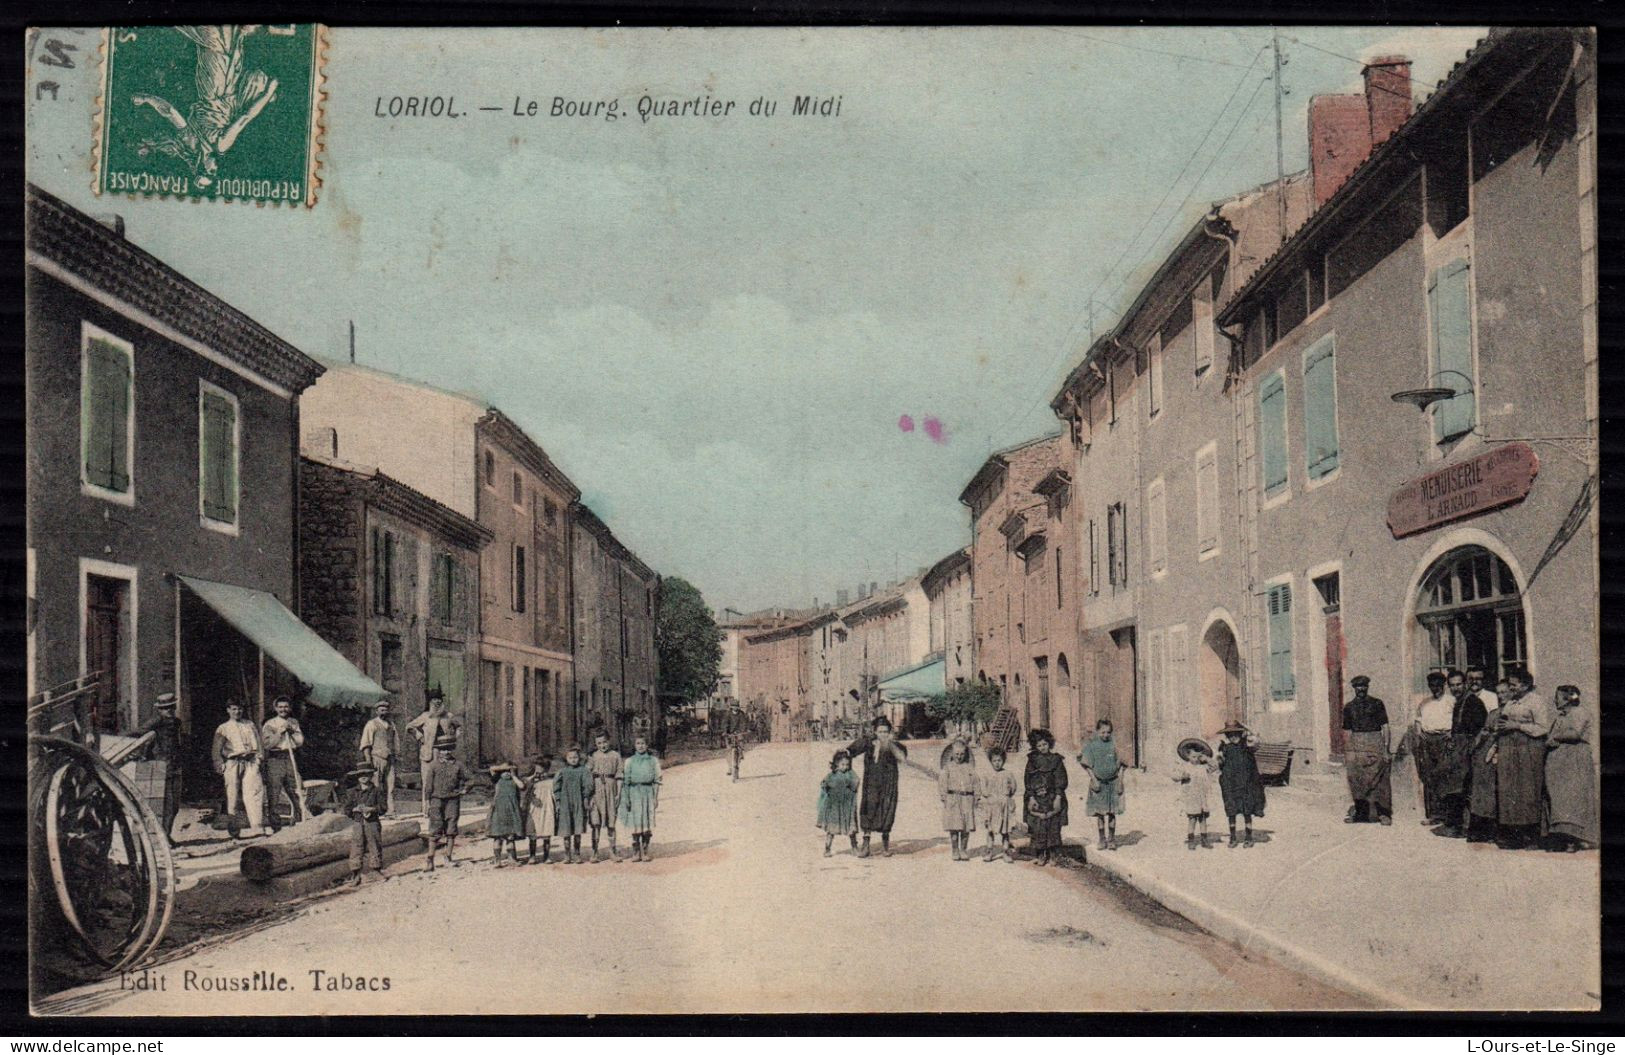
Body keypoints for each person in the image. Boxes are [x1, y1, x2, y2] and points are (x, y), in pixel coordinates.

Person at [1495, 667, 1551, 850]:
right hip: (1510, 749)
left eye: (1514, 685)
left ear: (1525, 685)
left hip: (1529, 748)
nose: (1510, 688)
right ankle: (1515, 835)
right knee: (1511, 791)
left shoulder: (1536, 701)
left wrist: (1517, 725)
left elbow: (1543, 727)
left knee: (1529, 790)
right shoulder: (1512, 701)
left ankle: (1533, 836)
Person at [847, 716, 909, 857]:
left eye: (886, 732)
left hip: (889, 785)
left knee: (887, 812)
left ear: (889, 732)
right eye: (880, 731)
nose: (883, 734)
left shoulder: (894, 746)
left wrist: (889, 744)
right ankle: (866, 846)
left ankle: (885, 847)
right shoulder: (868, 744)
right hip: (871, 785)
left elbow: (903, 758)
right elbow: (852, 750)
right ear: (875, 732)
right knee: (869, 811)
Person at [1544, 685, 1595, 852]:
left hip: (1575, 760)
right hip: (1561, 763)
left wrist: (1556, 737)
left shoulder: (1580, 713)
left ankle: (1575, 839)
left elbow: (1575, 734)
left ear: (1568, 698)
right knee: (1560, 800)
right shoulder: (1560, 717)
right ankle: (1563, 838)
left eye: (1557, 697)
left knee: (1573, 800)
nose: (1554, 700)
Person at [211, 699, 268, 839]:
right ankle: (234, 829)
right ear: (228, 710)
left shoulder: (250, 724)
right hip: (233, 762)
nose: (237, 712)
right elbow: (216, 749)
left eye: (240, 709)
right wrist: (219, 763)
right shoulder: (223, 728)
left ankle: (257, 827)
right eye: (234, 709)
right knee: (232, 796)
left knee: (254, 793)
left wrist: (259, 758)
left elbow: (259, 742)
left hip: (251, 761)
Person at [1341, 675, 1392, 825]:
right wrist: (1349, 752)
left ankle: (1384, 814)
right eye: (1358, 686)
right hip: (1356, 744)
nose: (1361, 689)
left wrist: (1386, 749)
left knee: (1380, 780)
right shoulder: (1349, 707)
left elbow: (1385, 727)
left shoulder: (1377, 703)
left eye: (1364, 686)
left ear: (1367, 687)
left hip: (1375, 742)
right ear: (1354, 688)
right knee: (1356, 778)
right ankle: (1360, 813)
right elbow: (1347, 731)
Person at [135, 693, 184, 842]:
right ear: (159, 710)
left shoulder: (177, 722)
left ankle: (167, 835)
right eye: (164, 708)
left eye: (170, 707)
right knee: (166, 806)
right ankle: (163, 838)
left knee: (175, 806)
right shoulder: (156, 722)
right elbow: (139, 732)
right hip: (161, 767)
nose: (168, 710)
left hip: (176, 766)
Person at [1411, 671, 1455, 826]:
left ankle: (1449, 816)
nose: (1434, 688)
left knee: (1446, 777)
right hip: (1428, 741)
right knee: (1430, 777)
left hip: (1445, 740)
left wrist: (1451, 734)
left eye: (1437, 685)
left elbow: (1457, 721)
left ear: (1443, 685)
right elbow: (1418, 721)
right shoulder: (1424, 703)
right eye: (1432, 685)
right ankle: (1435, 815)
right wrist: (1419, 734)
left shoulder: (1452, 701)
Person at [1078, 718, 1126, 851]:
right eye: (1103, 732)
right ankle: (1101, 839)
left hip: (1113, 783)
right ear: (1097, 731)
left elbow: (1122, 765)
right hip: (1098, 783)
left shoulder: (1114, 745)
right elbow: (1087, 766)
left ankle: (1111, 839)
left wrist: (1120, 781)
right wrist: (1094, 780)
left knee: (1112, 812)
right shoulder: (1091, 746)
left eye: (1108, 732)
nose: (1106, 735)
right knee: (1100, 813)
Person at [1216, 722, 1265, 848]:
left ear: (1240, 734)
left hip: (1246, 783)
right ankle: (1233, 838)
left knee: (1246, 809)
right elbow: (1220, 764)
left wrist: (1249, 730)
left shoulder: (1247, 745)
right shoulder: (1225, 748)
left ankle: (1249, 837)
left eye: (1236, 734)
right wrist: (1219, 760)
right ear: (1227, 736)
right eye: (1230, 735)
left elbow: (1257, 742)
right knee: (1231, 810)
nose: (1233, 737)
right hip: (1231, 783)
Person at [422, 736, 469, 870]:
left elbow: (470, 779)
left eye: (448, 749)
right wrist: (427, 803)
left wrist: (465, 789)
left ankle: (448, 857)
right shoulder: (433, 766)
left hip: (452, 801)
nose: (446, 752)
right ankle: (430, 859)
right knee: (435, 829)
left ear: (452, 749)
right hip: (436, 801)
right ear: (439, 750)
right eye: (443, 749)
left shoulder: (458, 765)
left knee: (451, 829)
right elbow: (428, 786)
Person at [260, 696, 306, 831]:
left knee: (295, 789)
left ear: (289, 708)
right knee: (274, 793)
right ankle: (276, 825)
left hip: (290, 757)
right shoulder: (270, 724)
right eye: (280, 707)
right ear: (276, 708)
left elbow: (299, 741)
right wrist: (280, 732)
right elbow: (267, 744)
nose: (283, 709)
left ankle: (298, 820)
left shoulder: (293, 722)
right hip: (275, 759)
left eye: (285, 707)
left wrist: (291, 732)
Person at [1023, 728, 1068, 866]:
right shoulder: (1032, 760)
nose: (1042, 747)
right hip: (1037, 797)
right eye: (1039, 745)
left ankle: (1054, 854)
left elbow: (1061, 779)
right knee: (1039, 826)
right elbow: (1028, 780)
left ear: (1049, 743)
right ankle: (1041, 853)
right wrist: (1031, 797)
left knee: (1053, 825)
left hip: (1053, 797)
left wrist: (1058, 796)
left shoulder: (1056, 760)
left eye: (1045, 744)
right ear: (1035, 746)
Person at [617, 736, 662, 862]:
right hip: (634, 792)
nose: (640, 746)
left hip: (648, 793)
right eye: (638, 743)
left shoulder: (653, 761)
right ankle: (636, 851)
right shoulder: (629, 761)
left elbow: (657, 780)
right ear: (635, 745)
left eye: (643, 743)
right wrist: (626, 798)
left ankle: (646, 850)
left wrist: (655, 798)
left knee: (646, 822)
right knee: (635, 822)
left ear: (647, 745)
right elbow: (626, 782)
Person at [342, 763, 387, 887]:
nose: (363, 777)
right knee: (356, 847)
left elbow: (383, 808)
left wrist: (371, 809)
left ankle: (376, 871)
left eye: (366, 774)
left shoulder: (377, 791)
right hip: (358, 823)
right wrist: (355, 810)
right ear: (357, 777)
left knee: (375, 845)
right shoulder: (352, 792)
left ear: (371, 775)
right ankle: (356, 874)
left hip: (372, 823)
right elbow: (346, 809)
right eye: (360, 775)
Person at [1466, 694, 1502, 844]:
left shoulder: (1511, 712)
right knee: (1482, 790)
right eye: (1499, 693)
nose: (1501, 696)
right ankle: (1481, 830)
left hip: (1501, 752)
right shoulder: (1493, 713)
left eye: (1505, 692)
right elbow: (1485, 731)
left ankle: (1496, 831)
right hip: (1486, 752)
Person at [938, 737, 978, 862]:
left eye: (961, 754)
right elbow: (942, 783)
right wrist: (944, 797)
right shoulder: (948, 768)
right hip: (953, 799)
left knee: (965, 826)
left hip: (967, 798)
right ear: (952, 754)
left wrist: (977, 796)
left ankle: (963, 849)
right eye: (956, 754)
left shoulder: (969, 768)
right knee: (954, 826)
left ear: (965, 754)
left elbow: (976, 783)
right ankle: (955, 850)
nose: (959, 756)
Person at [1174, 737, 1216, 851]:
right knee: (1192, 819)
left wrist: (1206, 759)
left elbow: (1214, 767)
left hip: (1202, 797)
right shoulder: (1185, 767)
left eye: (1198, 757)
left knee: (1203, 819)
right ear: (1188, 756)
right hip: (1191, 797)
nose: (1196, 759)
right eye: (1193, 757)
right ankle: (1191, 840)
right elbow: (1175, 776)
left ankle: (1204, 840)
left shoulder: (1203, 767)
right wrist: (1182, 777)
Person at [587, 732, 623, 863]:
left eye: (604, 742)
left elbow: (619, 775)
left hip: (611, 788)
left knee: (611, 823)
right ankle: (594, 852)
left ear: (609, 741)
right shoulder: (593, 757)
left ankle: (612, 851)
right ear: (596, 744)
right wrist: (589, 795)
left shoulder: (616, 755)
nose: (602, 745)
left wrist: (618, 793)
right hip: (596, 791)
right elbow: (587, 776)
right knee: (595, 823)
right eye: (599, 743)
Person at [553, 745, 593, 865]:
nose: (573, 759)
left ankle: (577, 854)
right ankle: (567, 855)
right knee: (566, 830)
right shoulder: (562, 772)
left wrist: (586, 798)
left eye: (575, 757)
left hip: (578, 802)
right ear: (566, 758)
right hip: (565, 803)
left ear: (579, 757)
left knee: (577, 829)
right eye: (570, 757)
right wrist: (558, 801)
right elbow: (556, 787)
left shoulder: (583, 770)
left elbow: (588, 786)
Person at [359, 700, 399, 816]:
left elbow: (396, 741)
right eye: (382, 710)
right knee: (376, 785)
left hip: (390, 758)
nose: (384, 712)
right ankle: (375, 810)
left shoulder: (391, 725)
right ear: (377, 711)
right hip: (377, 758)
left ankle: (391, 810)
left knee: (390, 786)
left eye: (386, 710)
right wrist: (368, 762)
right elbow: (366, 744)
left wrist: (396, 754)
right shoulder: (371, 724)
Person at [817, 749, 860, 857]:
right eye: (842, 764)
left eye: (847, 764)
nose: (845, 767)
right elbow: (824, 785)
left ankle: (854, 847)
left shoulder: (851, 774)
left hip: (847, 806)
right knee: (831, 830)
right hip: (834, 807)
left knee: (851, 830)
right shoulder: (831, 775)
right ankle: (827, 849)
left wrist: (850, 783)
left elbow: (856, 783)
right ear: (836, 764)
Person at [978, 746, 1019, 862]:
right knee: (991, 830)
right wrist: (989, 796)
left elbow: (1014, 787)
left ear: (1003, 761)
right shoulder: (987, 774)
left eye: (999, 760)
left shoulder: (1008, 773)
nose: (997, 763)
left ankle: (1006, 852)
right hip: (992, 806)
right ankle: (989, 851)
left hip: (1004, 806)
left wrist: (1007, 796)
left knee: (1004, 831)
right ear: (991, 761)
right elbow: (983, 788)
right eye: (994, 761)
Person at [406, 688, 461, 767]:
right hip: (429, 753)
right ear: (430, 701)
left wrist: (455, 737)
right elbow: (409, 726)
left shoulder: (448, 716)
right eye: (435, 699)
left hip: (445, 753)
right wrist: (420, 736)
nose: (437, 701)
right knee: (427, 776)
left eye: (439, 699)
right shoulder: (425, 716)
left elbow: (458, 727)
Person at [520, 755, 558, 864]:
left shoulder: (551, 781)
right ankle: (532, 856)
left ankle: (546, 856)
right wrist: (532, 779)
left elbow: (554, 794)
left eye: (543, 769)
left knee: (547, 832)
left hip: (547, 808)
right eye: (537, 769)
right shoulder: (530, 781)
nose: (540, 772)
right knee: (533, 833)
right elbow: (524, 791)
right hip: (534, 809)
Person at [487, 763, 524, 867]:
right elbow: (492, 768)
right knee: (497, 838)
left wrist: (513, 775)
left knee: (510, 837)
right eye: (504, 772)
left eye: (509, 772)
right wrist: (506, 767)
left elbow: (522, 786)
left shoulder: (514, 781)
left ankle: (511, 859)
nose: (506, 773)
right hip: (498, 812)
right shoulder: (497, 780)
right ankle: (497, 860)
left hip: (511, 812)